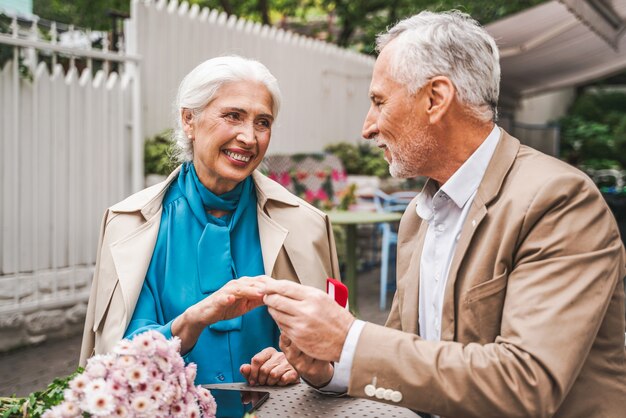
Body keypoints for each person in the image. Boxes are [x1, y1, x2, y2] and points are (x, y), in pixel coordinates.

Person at [261, 10, 626, 417]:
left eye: (379, 102)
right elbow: (409, 359)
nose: (367, 127)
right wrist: (331, 368)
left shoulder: (559, 200)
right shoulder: (419, 216)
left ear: (436, 98)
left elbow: (526, 384)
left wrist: (351, 340)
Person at [79, 56, 341, 388]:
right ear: (189, 120)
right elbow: (123, 354)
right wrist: (191, 321)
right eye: (233, 116)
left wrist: (299, 361)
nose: (249, 137)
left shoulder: (307, 225)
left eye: (262, 122)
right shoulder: (129, 225)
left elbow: (335, 345)